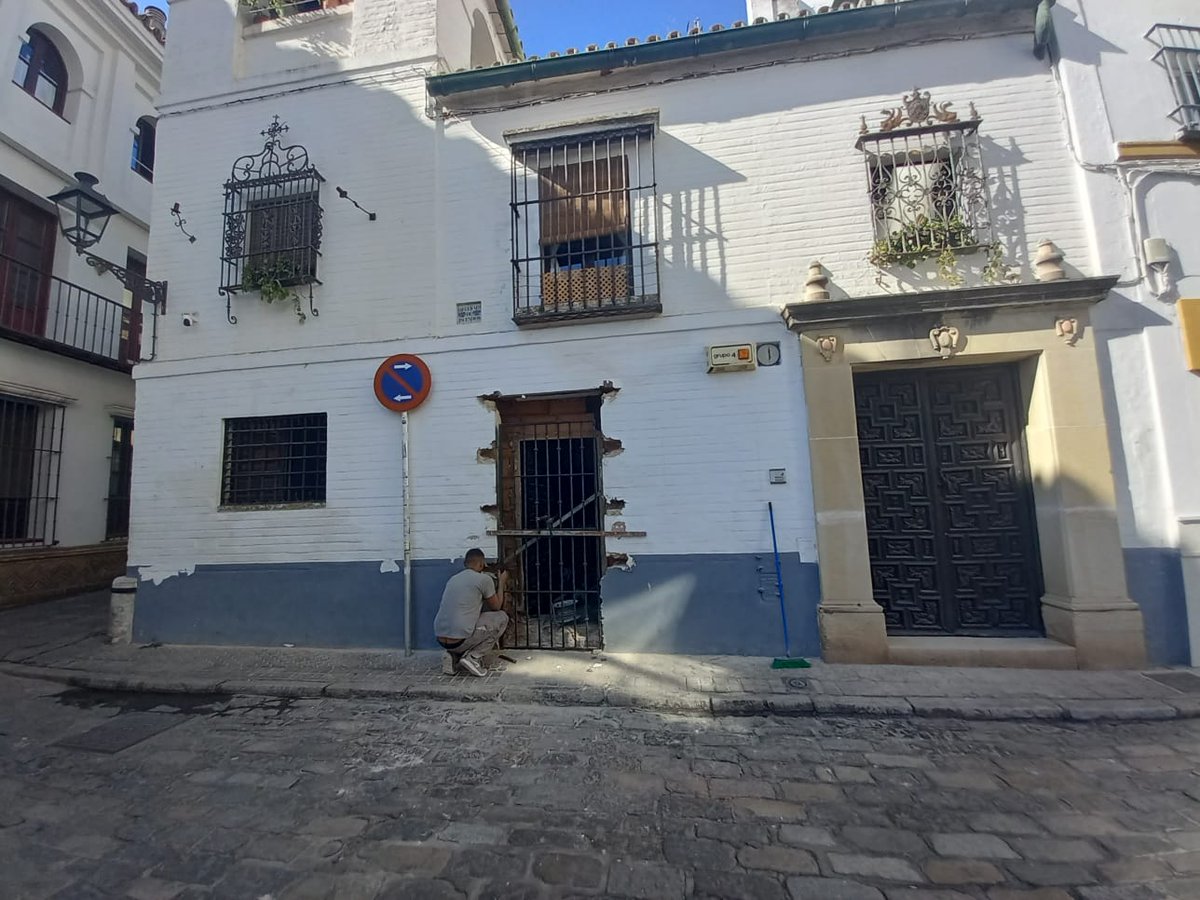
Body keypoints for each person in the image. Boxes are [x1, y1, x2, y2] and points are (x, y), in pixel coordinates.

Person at [434, 548, 509, 677]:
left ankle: (451, 655)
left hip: (440, 638)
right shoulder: (484, 580)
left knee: (468, 619)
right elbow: (496, 606)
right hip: (460, 640)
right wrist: (501, 583)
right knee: (502, 617)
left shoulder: (453, 579)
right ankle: (473, 658)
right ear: (481, 563)